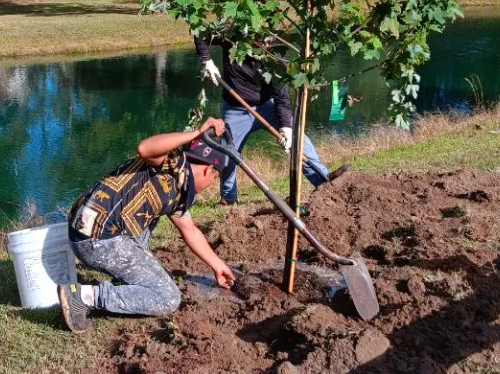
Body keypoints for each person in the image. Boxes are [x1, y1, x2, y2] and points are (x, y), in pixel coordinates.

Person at [57, 117, 236, 333]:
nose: (212, 184)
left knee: (154, 218)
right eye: (215, 178)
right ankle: (82, 296)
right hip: (97, 240)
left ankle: (130, 279)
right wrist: (196, 133)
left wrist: (218, 266)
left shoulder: (180, 184)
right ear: (208, 170)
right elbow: (144, 148)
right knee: (167, 297)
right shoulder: (170, 163)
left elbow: (189, 230)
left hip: (90, 231)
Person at [194, 34, 349, 205]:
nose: (264, 43)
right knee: (228, 154)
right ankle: (228, 199)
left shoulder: (275, 56)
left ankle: (323, 180)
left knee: (298, 141)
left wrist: (286, 127)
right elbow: (201, 33)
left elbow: (281, 96)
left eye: (267, 41)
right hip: (235, 109)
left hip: (267, 106)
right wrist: (206, 60)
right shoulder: (233, 35)